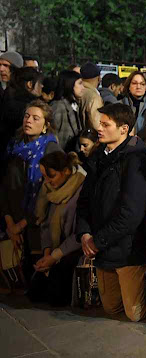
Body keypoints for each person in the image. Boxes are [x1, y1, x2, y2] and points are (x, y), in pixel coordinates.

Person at [76, 103, 146, 322]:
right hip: (102, 247)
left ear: (124, 129)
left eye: (106, 124)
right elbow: (85, 198)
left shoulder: (137, 159)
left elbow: (131, 213)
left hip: (127, 247)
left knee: (135, 312)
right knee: (112, 308)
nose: (100, 128)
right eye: (100, 123)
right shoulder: (99, 154)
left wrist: (99, 240)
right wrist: (85, 233)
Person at [1, 100, 61, 265]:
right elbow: (5, 186)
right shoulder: (14, 146)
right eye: (27, 116)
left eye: (36, 118)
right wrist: (10, 224)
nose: (29, 120)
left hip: (37, 228)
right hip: (11, 223)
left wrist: (20, 225)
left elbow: (50, 193)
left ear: (45, 125)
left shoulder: (51, 150)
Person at [28, 151, 85, 306]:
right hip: (54, 249)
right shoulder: (51, 190)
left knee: (55, 297)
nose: (46, 181)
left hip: (74, 249)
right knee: (34, 293)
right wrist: (47, 253)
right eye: (44, 176)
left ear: (66, 171)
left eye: (51, 176)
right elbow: (46, 223)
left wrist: (54, 256)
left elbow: (80, 232)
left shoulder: (81, 190)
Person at [0, 67, 44, 157]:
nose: (42, 86)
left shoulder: (7, 98)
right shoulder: (28, 107)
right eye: (40, 83)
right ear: (30, 84)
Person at [51, 70, 84, 151]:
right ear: (69, 84)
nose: (83, 87)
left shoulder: (75, 104)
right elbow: (52, 135)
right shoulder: (58, 106)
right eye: (80, 83)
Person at [120, 71, 146, 135]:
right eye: (134, 83)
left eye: (142, 84)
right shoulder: (118, 105)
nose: (138, 87)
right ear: (128, 86)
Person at [78, 62, 104, 130]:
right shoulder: (94, 97)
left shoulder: (77, 91)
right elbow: (96, 123)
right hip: (89, 137)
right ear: (99, 78)